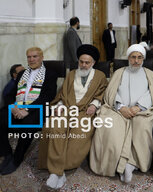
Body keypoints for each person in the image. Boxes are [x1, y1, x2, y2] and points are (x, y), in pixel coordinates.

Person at [38, 45, 108, 189]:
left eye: (87, 62)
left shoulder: (100, 76)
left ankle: (60, 169)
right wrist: (60, 106)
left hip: (85, 111)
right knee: (55, 128)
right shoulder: (71, 74)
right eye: (81, 61)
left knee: (79, 135)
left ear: (93, 63)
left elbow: (102, 94)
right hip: (67, 109)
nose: (83, 65)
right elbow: (63, 94)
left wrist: (94, 105)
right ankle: (56, 172)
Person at [90, 44, 153, 183]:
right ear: (128, 58)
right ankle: (116, 165)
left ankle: (131, 164)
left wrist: (138, 107)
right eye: (133, 57)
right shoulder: (119, 72)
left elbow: (152, 93)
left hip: (142, 111)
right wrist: (121, 107)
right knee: (109, 128)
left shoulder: (149, 74)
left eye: (139, 58)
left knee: (143, 127)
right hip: (117, 110)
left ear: (143, 59)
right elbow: (111, 92)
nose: (136, 61)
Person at [0, 47, 57, 175]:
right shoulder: (22, 74)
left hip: (37, 107)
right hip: (18, 105)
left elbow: (48, 96)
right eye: (29, 57)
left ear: (41, 58)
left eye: (35, 56)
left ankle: (17, 158)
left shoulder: (50, 74)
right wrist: (12, 106)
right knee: (1, 117)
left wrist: (27, 110)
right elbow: (10, 93)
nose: (31, 59)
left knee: (28, 123)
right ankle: (7, 153)